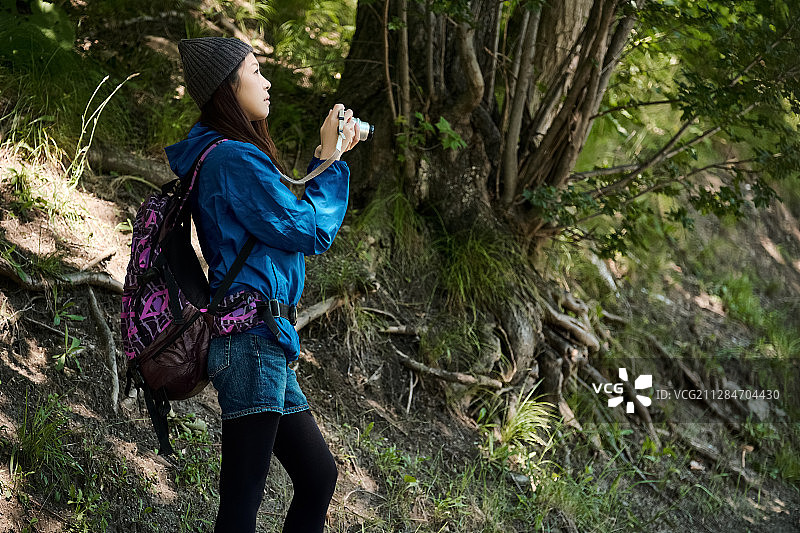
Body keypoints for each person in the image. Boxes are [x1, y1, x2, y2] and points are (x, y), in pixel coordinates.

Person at [165, 36, 359, 532]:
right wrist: (331, 163)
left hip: (264, 340)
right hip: (250, 341)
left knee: (317, 475)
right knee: (243, 497)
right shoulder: (232, 159)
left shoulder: (225, 154)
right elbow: (309, 228)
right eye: (255, 71)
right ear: (228, 89)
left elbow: (290, 223)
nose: (267, 80)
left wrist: (325, 155)